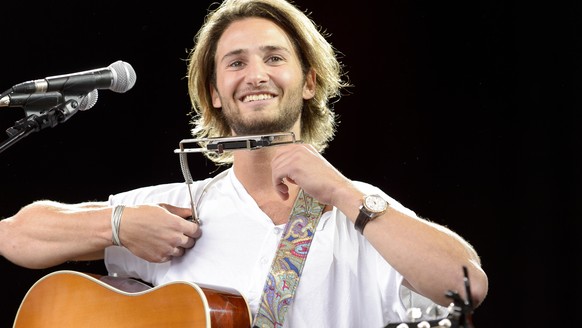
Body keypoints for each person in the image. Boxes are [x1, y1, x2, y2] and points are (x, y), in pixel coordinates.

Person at [0, 0, 488, 326]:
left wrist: (343, 193)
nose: (255, 75)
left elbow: (465, 283)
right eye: (235, 63)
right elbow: (14, 235)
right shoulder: (178, 206)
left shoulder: (363, 212)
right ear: (214, 92)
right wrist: (118, 224)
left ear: (310, 82)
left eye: (274, 58)